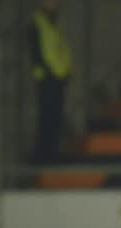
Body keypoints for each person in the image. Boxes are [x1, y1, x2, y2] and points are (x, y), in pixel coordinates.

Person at [28, 0, 72, 163]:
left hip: (58, 76)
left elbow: (61, 48)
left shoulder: (56, 21)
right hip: (47, 78)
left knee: (55, 118)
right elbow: (42, 54)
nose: (55, 4)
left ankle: (51, 153)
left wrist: (67, 70)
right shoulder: (37, 23)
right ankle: (42, 156)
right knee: (47, 118)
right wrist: (55, 72)